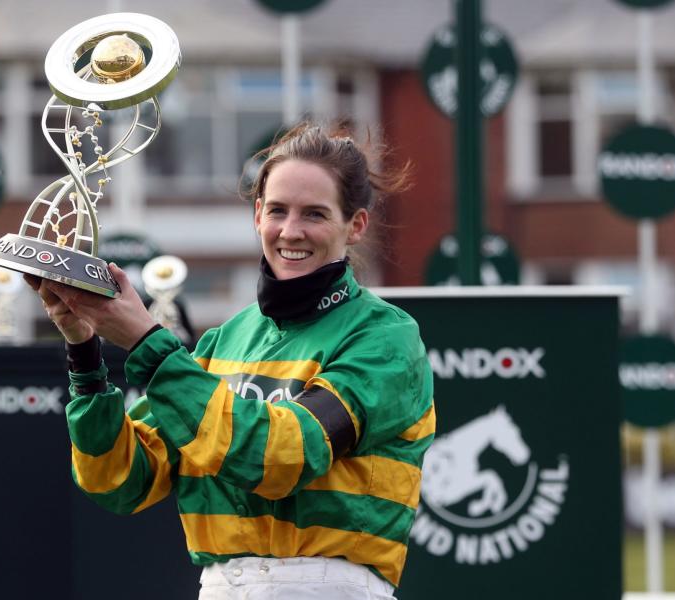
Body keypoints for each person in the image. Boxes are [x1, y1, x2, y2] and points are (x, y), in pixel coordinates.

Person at [26, 123, 436, 600]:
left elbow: (282, 457)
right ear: (258, 214)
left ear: (356, 225)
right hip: (220, 585)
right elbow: (119, 481)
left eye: (315, 214)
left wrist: (146, 343)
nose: (291, 231)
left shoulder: (385, 338)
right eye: (278, 210)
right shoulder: (223, 341)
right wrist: (84, 352)